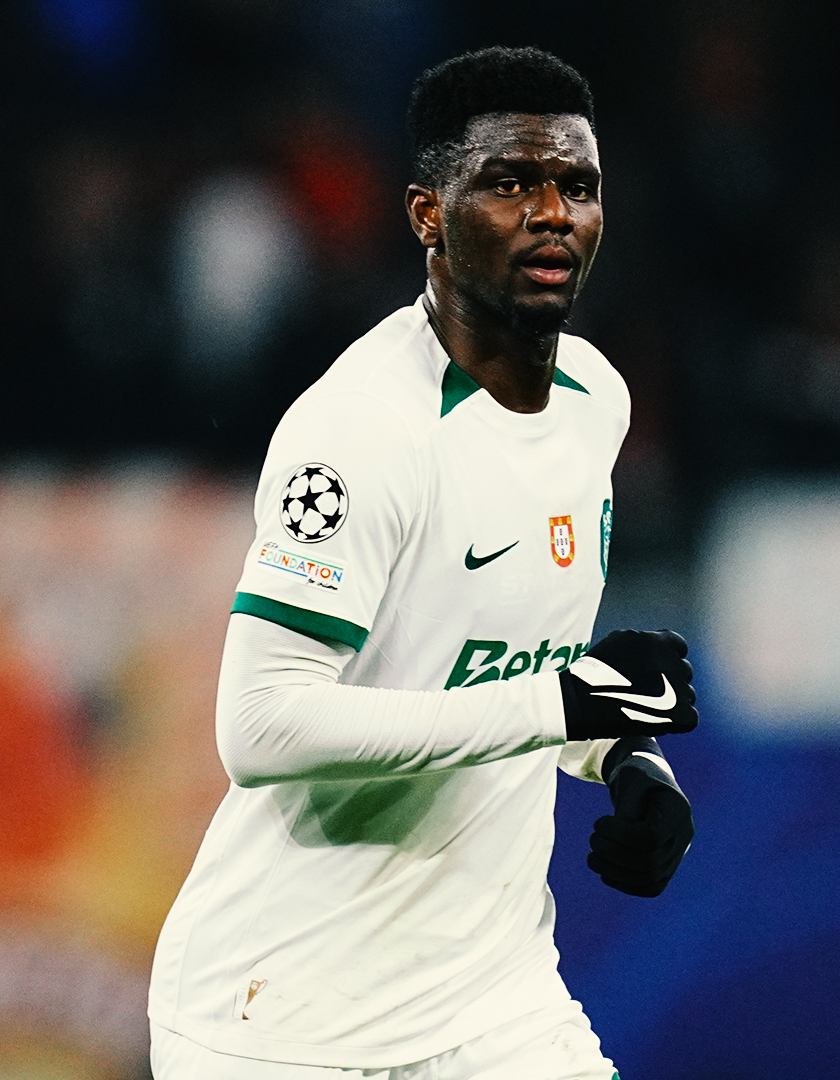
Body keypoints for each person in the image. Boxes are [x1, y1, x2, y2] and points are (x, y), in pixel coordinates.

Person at [149, 47, 699, 1080]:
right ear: (427, 217)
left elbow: (514, 663)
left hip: (493, 1005)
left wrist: (627, 759)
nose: (551, 214)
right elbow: (261, 726)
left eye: (575, 186)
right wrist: (561, 711)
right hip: (284, 1022)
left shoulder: (595, 403)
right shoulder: (358, 433)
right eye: (508, 183)